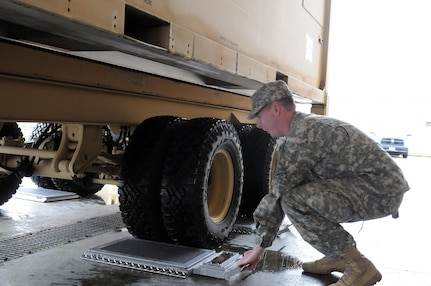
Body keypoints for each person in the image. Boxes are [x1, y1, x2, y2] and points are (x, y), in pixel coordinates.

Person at [236, 80, 409, 286]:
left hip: (381, 189)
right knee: (302, 192)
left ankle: (359, 266)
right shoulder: (303, 128)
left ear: (275, 109)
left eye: (259, 115)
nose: (258, 124)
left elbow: (278, 194)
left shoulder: (303, 137)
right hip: (376, 185)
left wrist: (258, 250)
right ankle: (337, 256)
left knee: (293, 200)